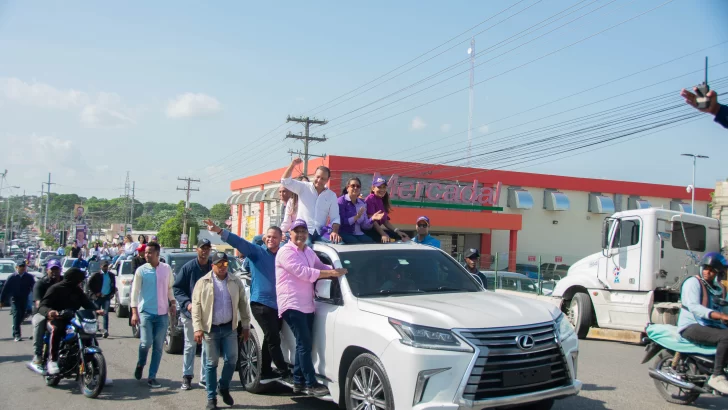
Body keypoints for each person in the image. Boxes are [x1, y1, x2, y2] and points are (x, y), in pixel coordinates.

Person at [205, 218, 290, 384]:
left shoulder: (284, 255)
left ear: (281, 239)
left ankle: (265, 371)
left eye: (274, 237)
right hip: (261, 304)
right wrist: (220, 230)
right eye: (268, 236)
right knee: (273, 337)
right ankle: (284, 371)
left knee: (269, 337)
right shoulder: (257, 252)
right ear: (264, 238)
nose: (271, 239)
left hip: (279, 305)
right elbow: (239, 242)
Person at [275, 219, 347, 396]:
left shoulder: (308, 251)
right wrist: (331, 273)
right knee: (304, 344)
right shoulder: (285, 252)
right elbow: (304, 273)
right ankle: (310, 383)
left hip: (308, 304)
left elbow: (321, 266)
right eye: (296, 231)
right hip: (291, 303)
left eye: (303, 231)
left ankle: (298, 381)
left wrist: (343, 271)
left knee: (304, 344)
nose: (300, 235)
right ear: (289, 234)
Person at [192, 252, 250, 409]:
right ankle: (211, 398)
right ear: (212, 266)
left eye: (225, 264)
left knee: (232, 360)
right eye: (219, 264)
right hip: (210, 329)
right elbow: (196, 307)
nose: (223, 267)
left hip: (229, 328)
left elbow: (243, 304)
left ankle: (223, 386)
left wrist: (245, 326)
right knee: (211, 364)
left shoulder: (235, 281)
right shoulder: (202, 283)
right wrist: (197, 328)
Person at [677, 252, 728, 394]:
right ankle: (717, 376)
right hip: (692, 326)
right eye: (706, 268)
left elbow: (725, 308)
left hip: (712, 326)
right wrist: (719, 315)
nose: (708, 272)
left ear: (719, 273)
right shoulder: (693, 282)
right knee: (726, 336)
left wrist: (724, 315)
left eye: (712, 270)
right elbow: (694, 307)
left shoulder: (721, 289)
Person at [37, 268, 103, 375]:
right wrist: (50, 312)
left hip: (72, 319)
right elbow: (42, 306)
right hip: (56, 319)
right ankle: (52, 360)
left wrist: (96, 310)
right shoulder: (55, 289)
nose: (80, 282)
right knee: (57, 329)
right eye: (79, 280)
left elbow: (87, 303)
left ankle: (97, 370)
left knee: (87, 333)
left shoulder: (77, 291)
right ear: (73, 279)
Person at [130, 242, 176, 388]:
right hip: (146, 313)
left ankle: (152, 377)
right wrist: (134, 313)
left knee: (158, 347)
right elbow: (135, 292)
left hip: (162, 314)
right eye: (146, 252)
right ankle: (140, 363)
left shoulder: (166, 269)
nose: (146, 255)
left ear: (157, 254)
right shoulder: (141, 271)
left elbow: (170, 288)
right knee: (146, 342)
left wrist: (173, 302)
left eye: (149, 252)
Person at [173, 238, 213, 390]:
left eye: (207, 248)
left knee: (206, 347)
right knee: (190, 345)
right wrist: (187, 304)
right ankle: (187, 376)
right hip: (190, 314)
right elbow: (177, 289)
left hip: (208, 314)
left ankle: (204, 378)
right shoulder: (188, 268)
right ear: (197, 249)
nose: (205, 251)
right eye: (202, 248)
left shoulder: (213, 267)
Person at [280, 158, 341, 244]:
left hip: (321, 233)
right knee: (306, 247)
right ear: (314, 175)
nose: (319, 180)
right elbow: (285, 181)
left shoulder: (331, 195)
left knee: (339, 244)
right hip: (303, 231)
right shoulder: (304, 187)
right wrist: (292, 165)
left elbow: (335, 217)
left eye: (323, 178)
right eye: (318, 177)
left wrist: (335, 232)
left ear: (327, 180)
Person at [31, 259, 62, 365]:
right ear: (47, 270)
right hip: (42, 312)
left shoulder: (64, 282)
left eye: (57, 269)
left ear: (60, 270)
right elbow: (38, 303)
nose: (54, 272)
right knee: (39, 321)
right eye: (52, 269)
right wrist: (48, 312)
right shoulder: (40, 284)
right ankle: (37, 354)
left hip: (59, 311)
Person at [337, 177, 385, 244]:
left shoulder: (362, 203)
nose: (356, 188)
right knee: (356, 244)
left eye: (358, 186)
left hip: (358, 233)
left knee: (372, 244)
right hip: (344, 232)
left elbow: (364, 226)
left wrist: (372, 219)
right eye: (353, 186)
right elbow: (340, 222)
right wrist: (356, 217)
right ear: (347, 188)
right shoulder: (341, 201)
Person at [364, 176, 410, 243]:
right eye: (379, 187)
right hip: (368, 231)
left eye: (384, 187)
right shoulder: (370, 199)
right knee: (389, 240)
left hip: (376, 230)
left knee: (401, 237)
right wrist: (383, 234)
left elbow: (386, 222)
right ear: (373, 188)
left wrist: (398, 231)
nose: (382, 190)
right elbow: (373, 221)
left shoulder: (382, 200)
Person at [0, 260, 35, 341]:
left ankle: (15, 326)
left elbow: (34, 288)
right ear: (17, 267)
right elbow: (5, 289)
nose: (22, 268)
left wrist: (36, 298)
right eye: (20, 267)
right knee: (16, 314)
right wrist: (1, 301)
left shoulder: (29, 277)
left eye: (23, 267)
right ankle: (17, 334)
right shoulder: (12, 277)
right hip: (14, 299)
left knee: (22, 315)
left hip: (24, 298)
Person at [85, 259, 116, 338]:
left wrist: (112, 293)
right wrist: (96, 293)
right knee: (96, 314)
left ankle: (105, 331)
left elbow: (113, 285)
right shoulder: (96, 275)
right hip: (98, 298)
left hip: (106, 297)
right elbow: (89, 284)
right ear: (101, 266)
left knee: (105, 314)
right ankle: (95, 330)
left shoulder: (111, 275)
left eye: (107, 266)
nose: (106, 268)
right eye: (104, 266)